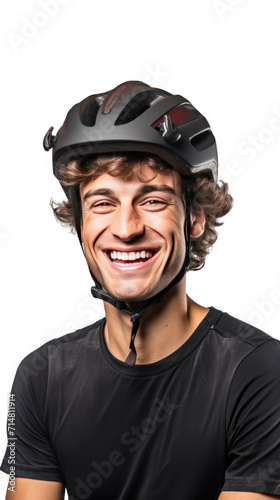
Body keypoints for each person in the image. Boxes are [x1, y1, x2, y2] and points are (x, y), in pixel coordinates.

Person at [1, 81, 280, 500]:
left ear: (195, 219)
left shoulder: (260, 373)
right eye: (102, 203)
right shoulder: (42, 378)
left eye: (152, 201)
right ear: (79, 223)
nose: (127, 229)